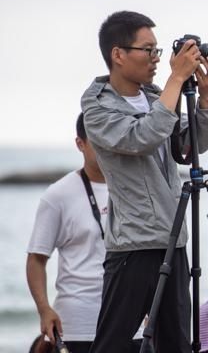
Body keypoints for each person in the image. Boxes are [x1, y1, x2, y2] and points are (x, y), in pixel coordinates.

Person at [81, 10, 208, 353]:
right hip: (133, 244)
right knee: (113, 344)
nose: (158, 59)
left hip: (172, 240)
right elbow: (140, 138)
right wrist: (176, 82)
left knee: (175, 344)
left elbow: (189, 147)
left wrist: (205, 98)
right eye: (149, 50)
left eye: (159, 50)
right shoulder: (97, 107)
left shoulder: (157, 95)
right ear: (118, 54)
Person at [26, 114, 142, 353]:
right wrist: (44, 309)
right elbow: (36, 259)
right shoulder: (58, 195)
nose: (107, 148)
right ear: (80, 144)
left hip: (132, 321)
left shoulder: (134, 188)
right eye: (98, 141)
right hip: (78, 325)